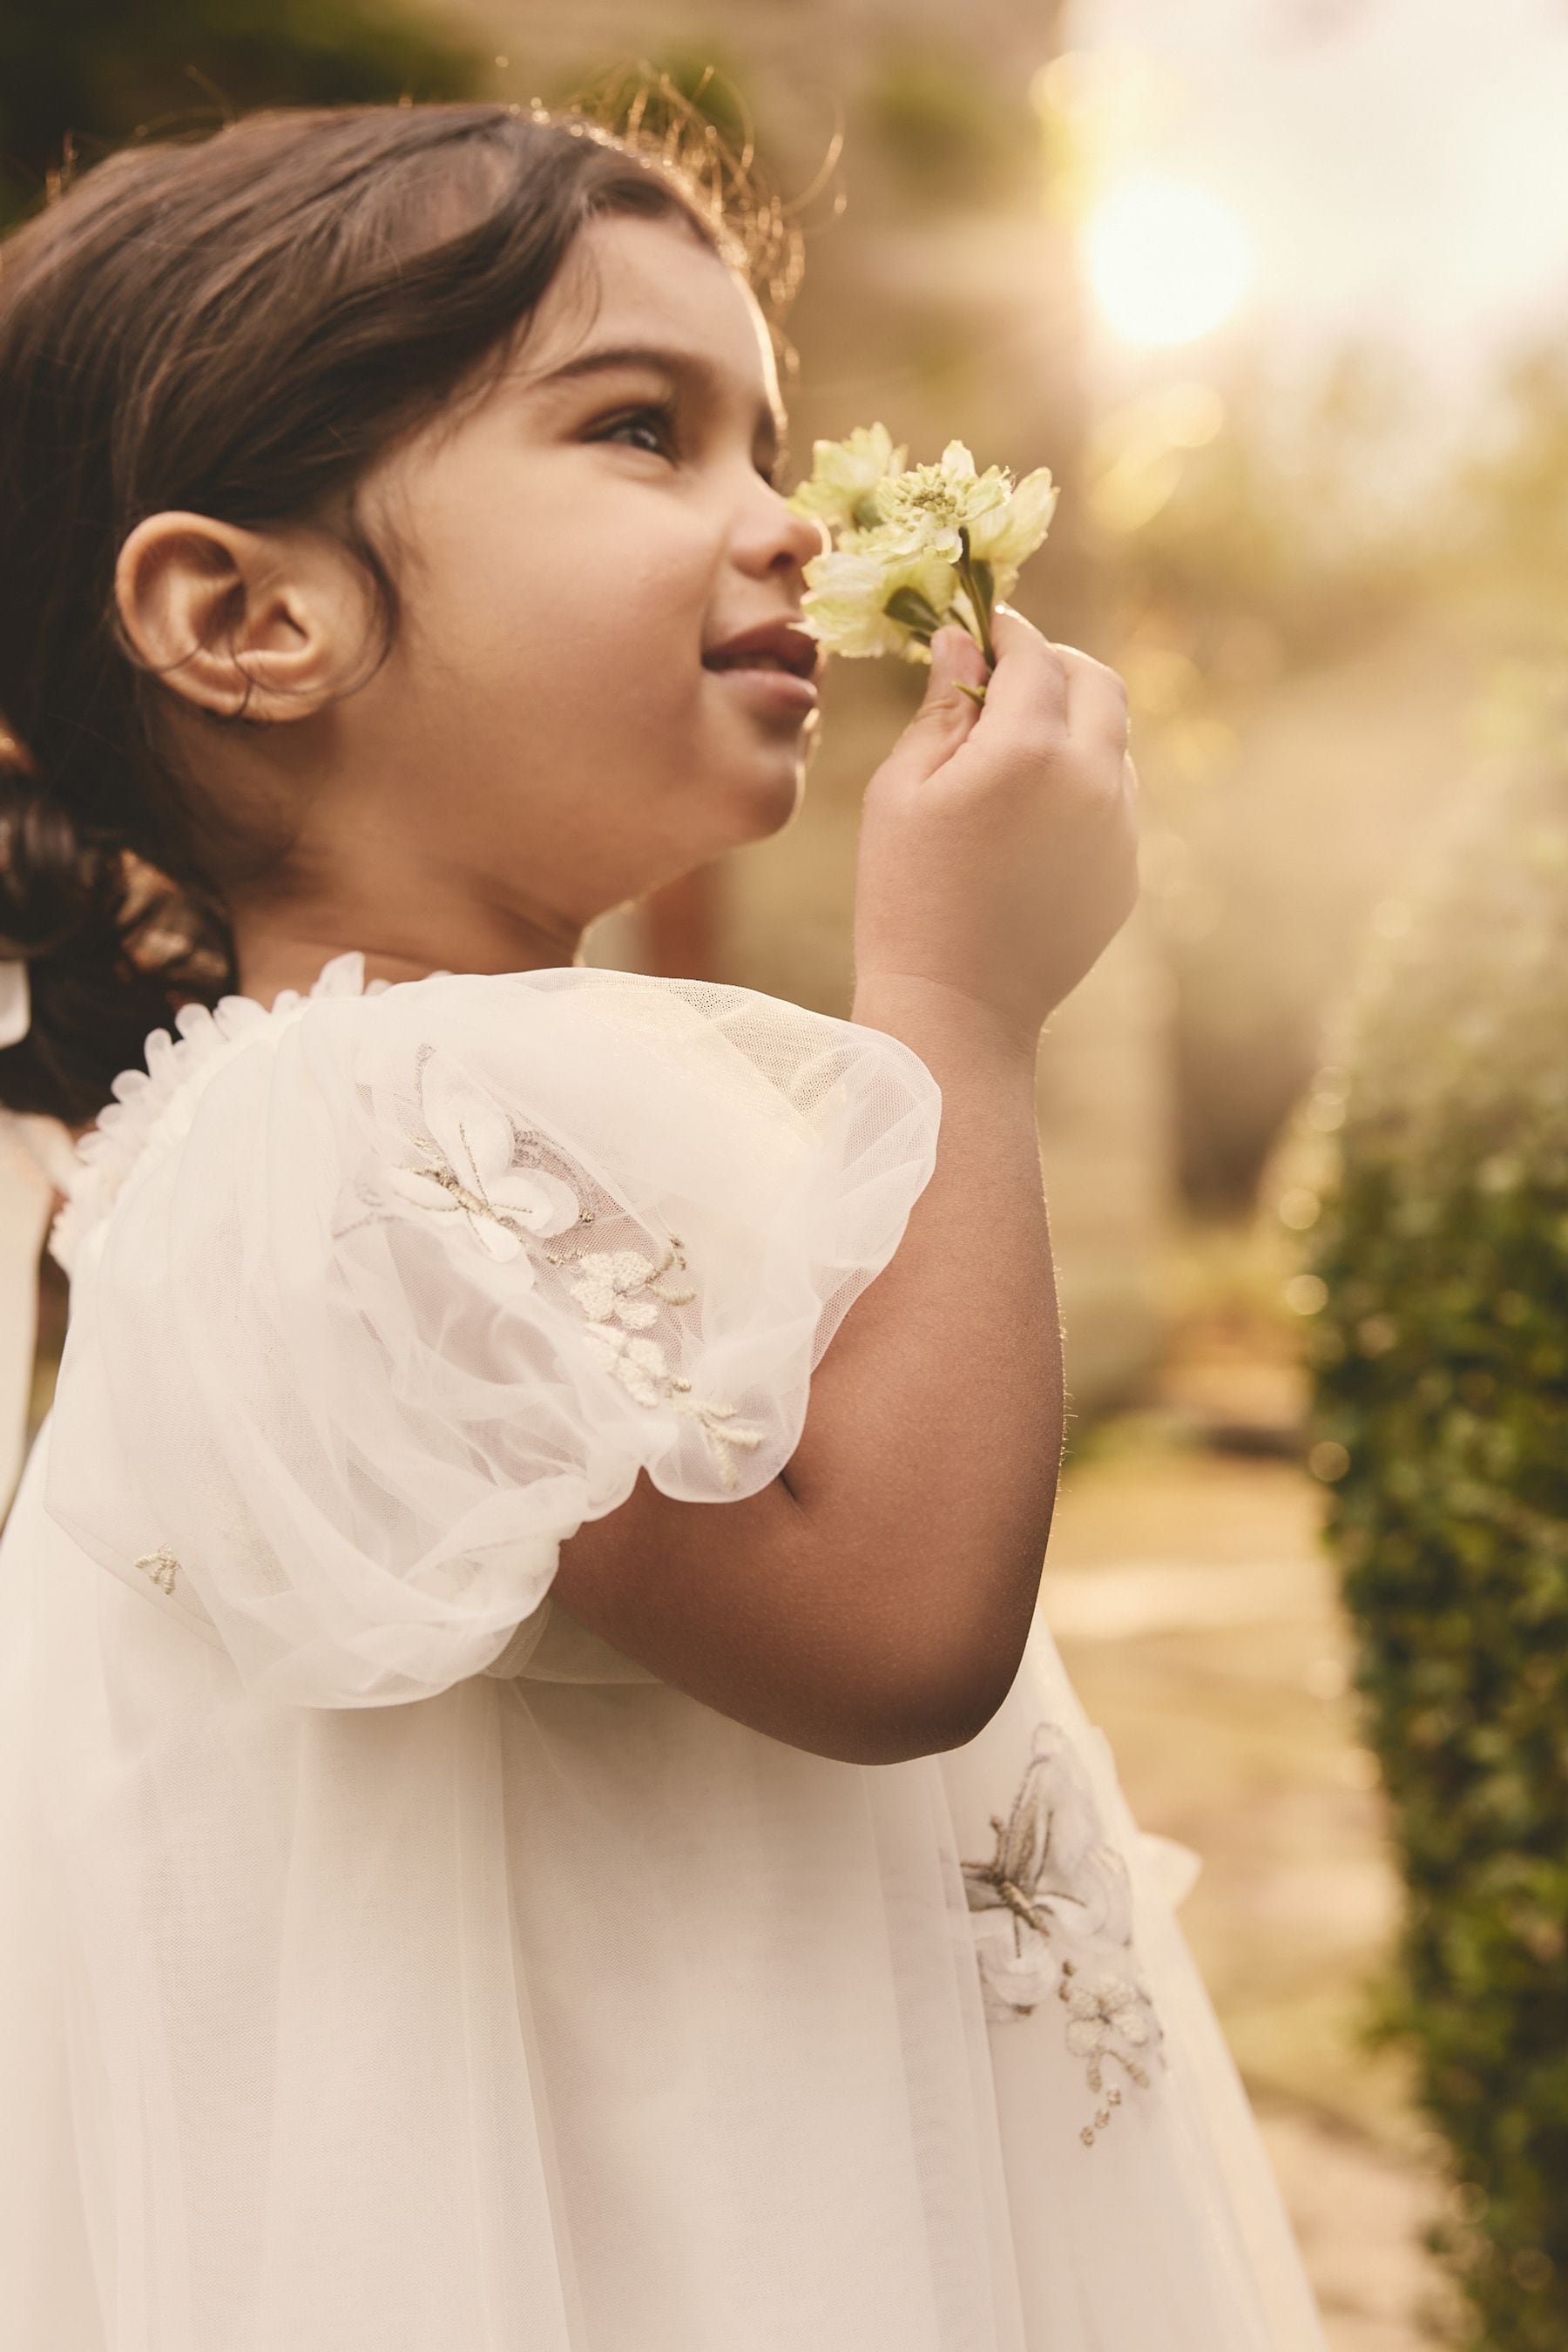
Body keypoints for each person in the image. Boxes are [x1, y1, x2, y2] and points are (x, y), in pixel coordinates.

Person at [0, 101, 1326, 2351]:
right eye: (644, 430)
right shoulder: (333, 1149)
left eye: (771, 442)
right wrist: (960, 1016)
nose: (790, 525)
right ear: (248, 613)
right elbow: (893, 1626)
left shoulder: (493, 1093)